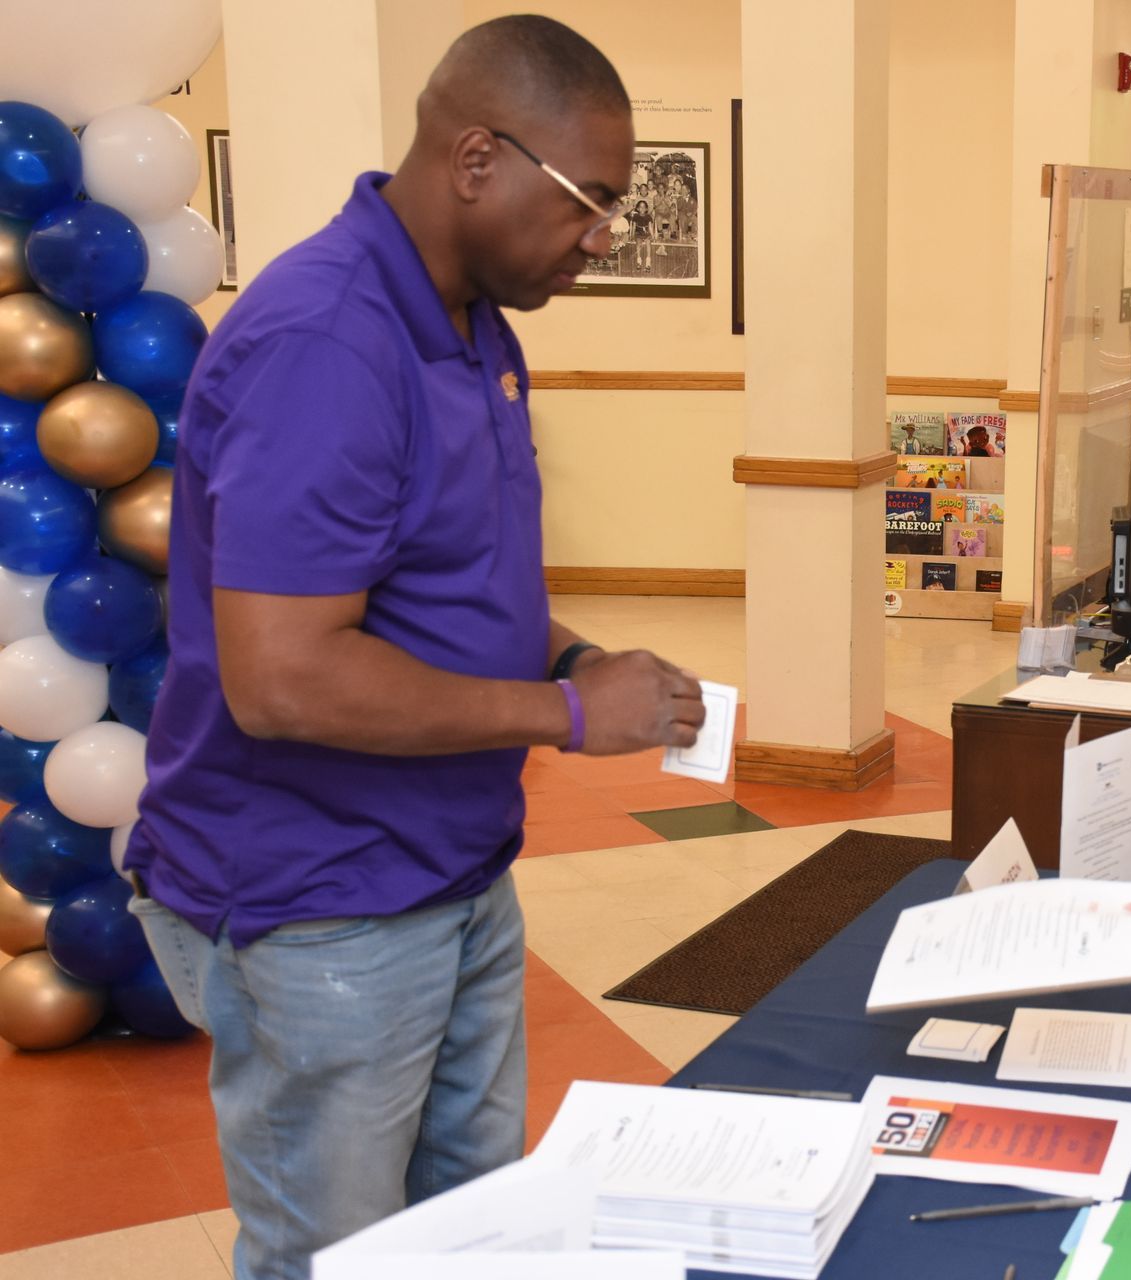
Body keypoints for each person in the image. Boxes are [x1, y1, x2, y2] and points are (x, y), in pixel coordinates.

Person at [122, 18, 706, 1280]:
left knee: (468, 1241)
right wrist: (565, 719)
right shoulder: (326, 343)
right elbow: (282, 678)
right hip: (319, 900)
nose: (606, 235)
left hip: (450, 868)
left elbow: (447, 582)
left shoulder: (477, 322)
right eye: (590, 201)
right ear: (479, 156)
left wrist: (577, 660)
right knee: (337, 1260)